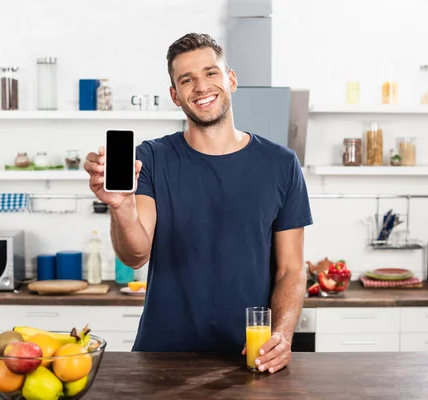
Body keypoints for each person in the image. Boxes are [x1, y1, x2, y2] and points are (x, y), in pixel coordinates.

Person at [84, 33, 313, 374]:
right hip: (162, 358)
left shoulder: (281, 164)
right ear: (175, 95)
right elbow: (135, 254)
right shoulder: (151, 158)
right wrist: (121, 207)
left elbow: (291, 269)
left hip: (250, 358)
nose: (202, 87)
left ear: (231, 79)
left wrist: (281, 334)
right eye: (187, 80)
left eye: (211, 73)